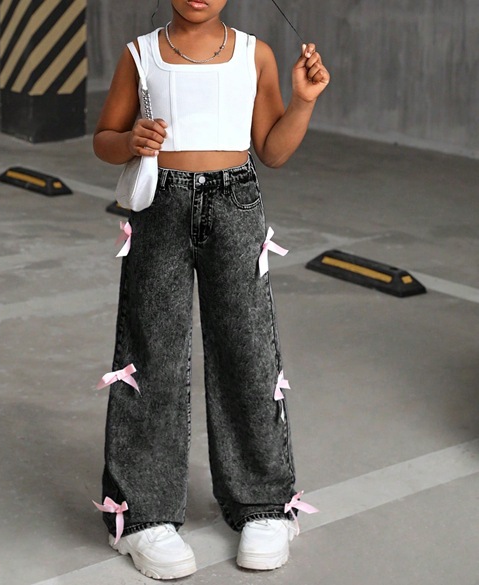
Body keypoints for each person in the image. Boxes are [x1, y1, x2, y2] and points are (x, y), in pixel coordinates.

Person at [93, 0, 330, 579]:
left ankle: (263, 505)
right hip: (160, 205)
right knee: (152, 354)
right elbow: (103, 138)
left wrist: (302, 101)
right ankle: (144, 516)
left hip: (236, 205)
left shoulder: (255, 54)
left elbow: (272, 150)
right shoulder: (140, 54)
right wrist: (130, 141)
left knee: (247, 351)